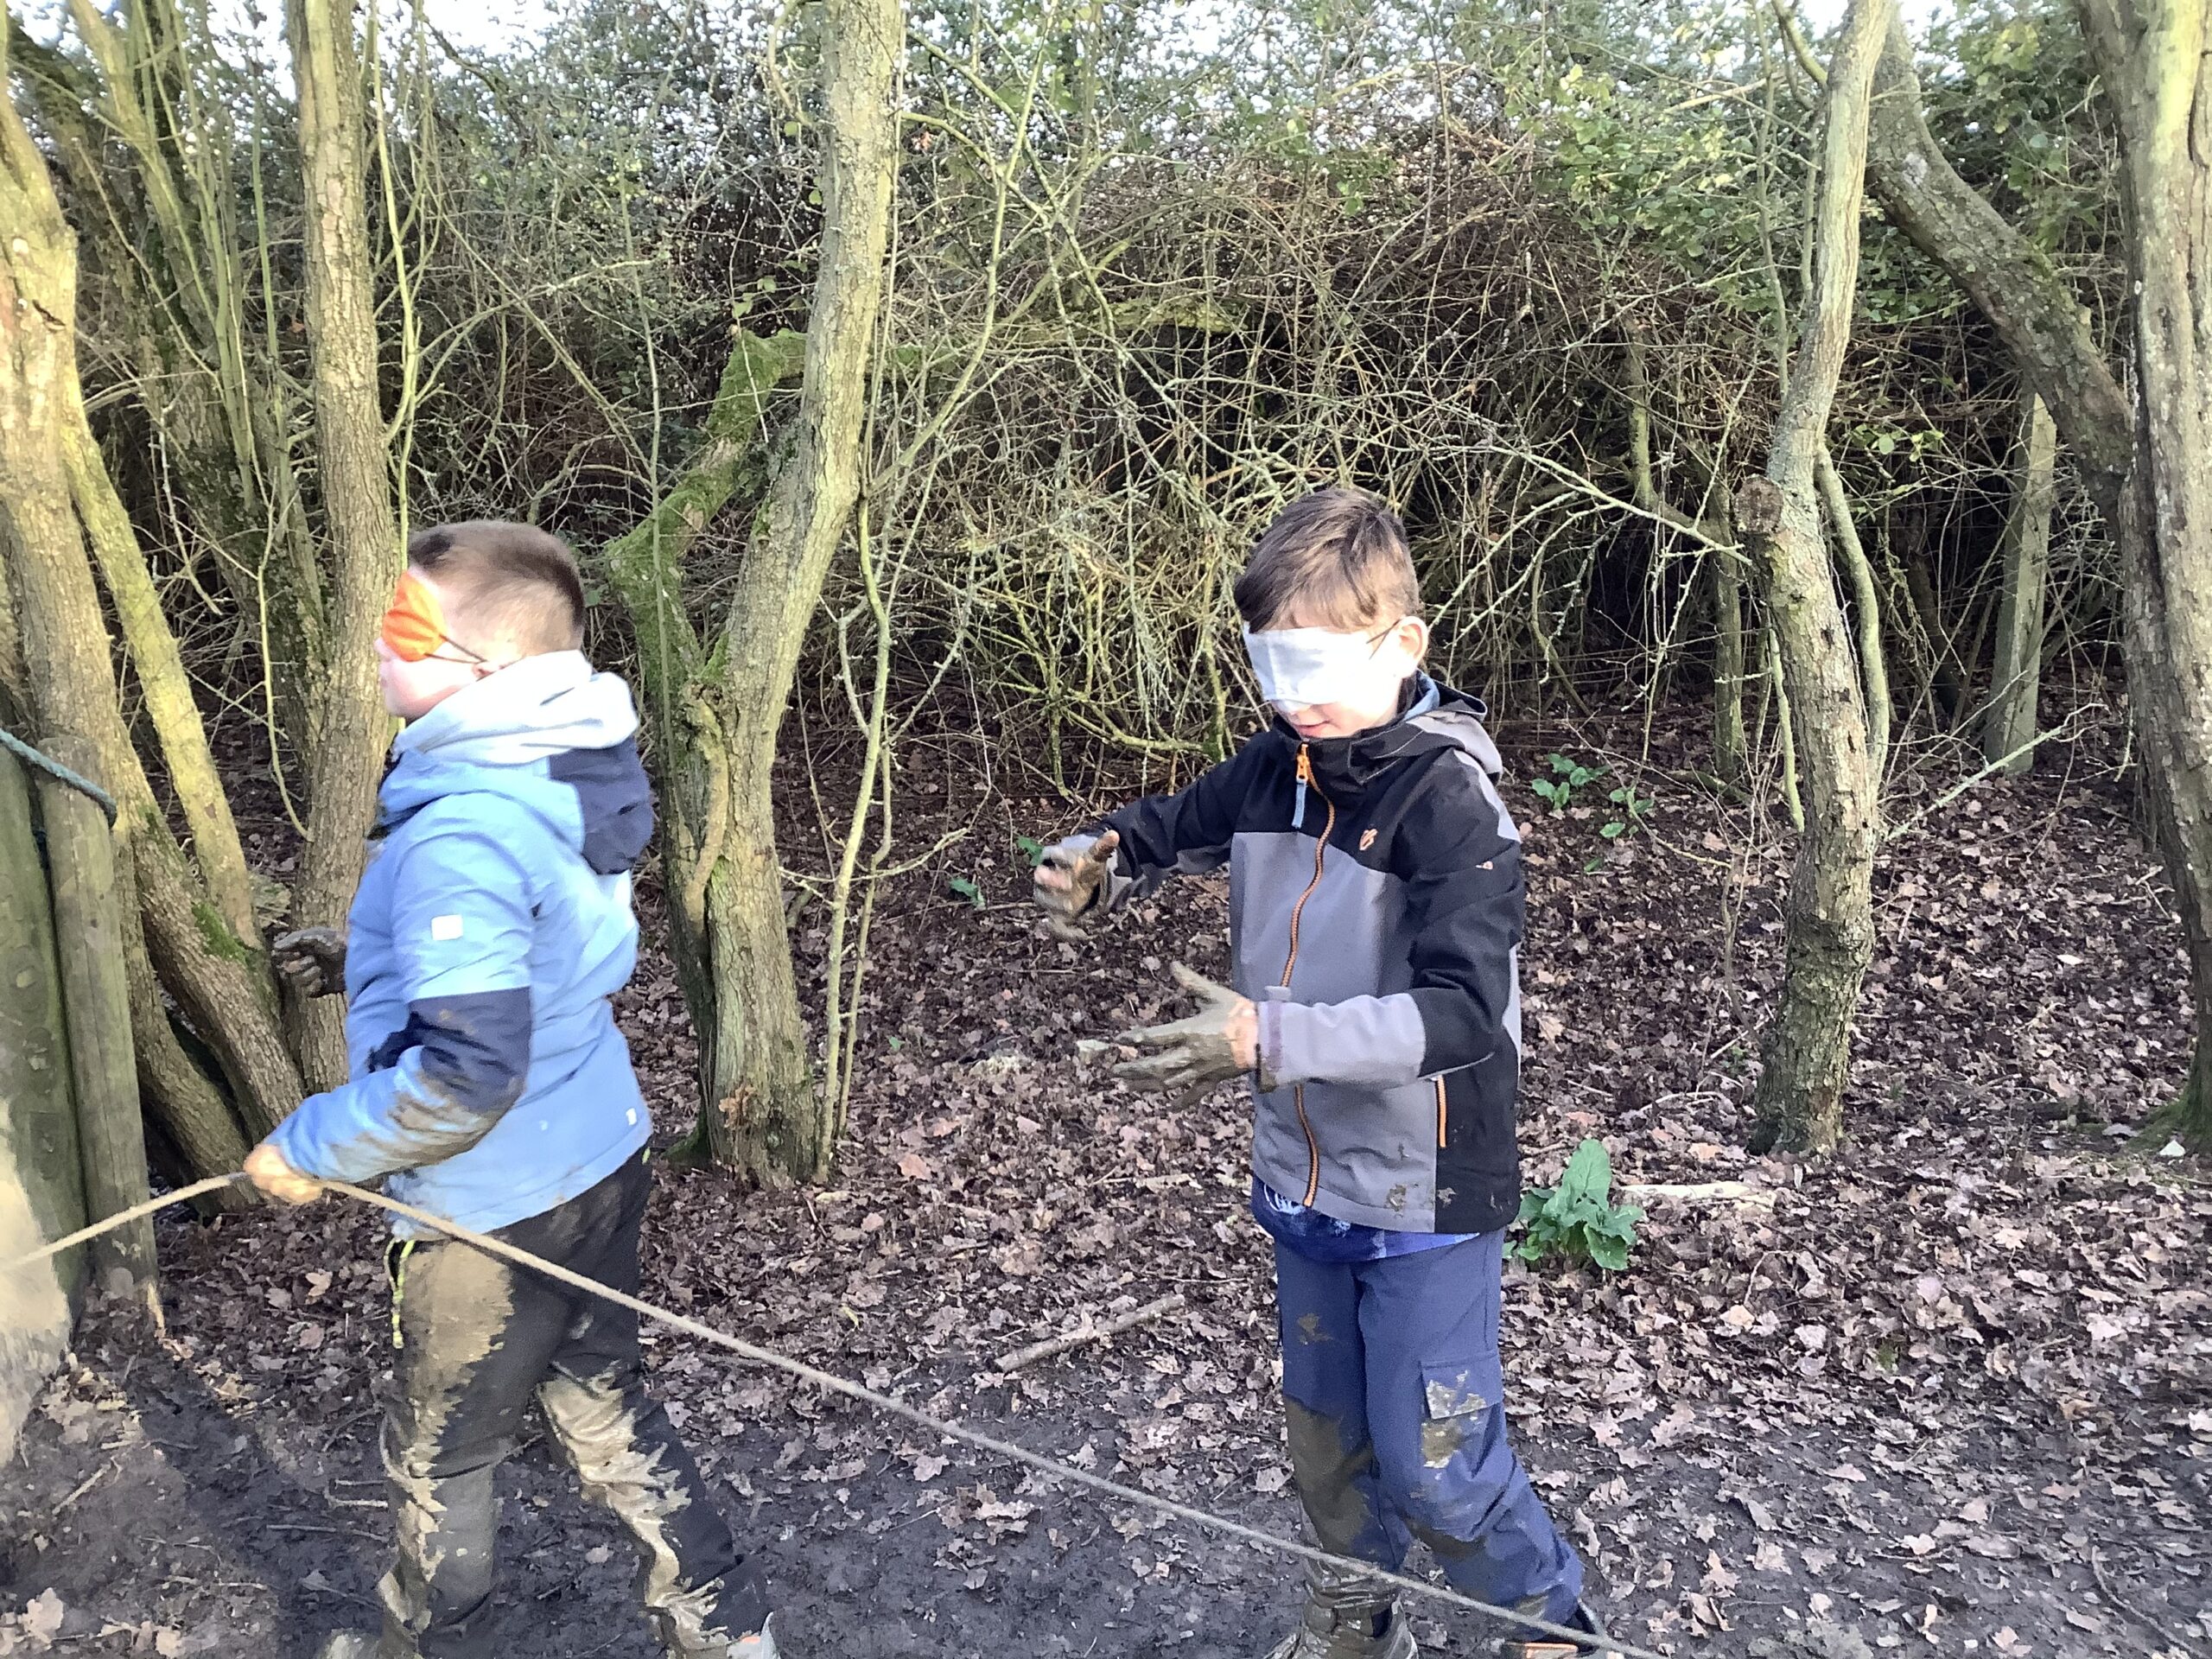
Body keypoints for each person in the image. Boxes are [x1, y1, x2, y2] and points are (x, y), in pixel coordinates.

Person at [1033, 488, 1618, 1659]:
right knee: (1324, 1442)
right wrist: (1097, 864)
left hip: (1426, 1189)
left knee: (1436, 1460)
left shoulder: (1453, 806)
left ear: (1403, 645)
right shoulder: (1279, 765)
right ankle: (1355, 1616)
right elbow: (1163, 829)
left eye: (1314, 663)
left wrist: (1271, 1039)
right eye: (1268, 663)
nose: (1289, 693)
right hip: (1302, 1176)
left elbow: (1464, 1015)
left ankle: (1550, 1627)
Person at [243, 523, 779, 1659]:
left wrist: (310, 1147)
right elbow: (535, 953)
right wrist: (369, 961)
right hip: (599, 1153)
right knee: (605, 1402)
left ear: (482, 665)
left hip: (491, 1210)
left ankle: (424, 1645)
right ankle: (730, 1635)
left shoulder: (465, 828)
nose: (377, 645)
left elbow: (467, 1075)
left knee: (441, 1457)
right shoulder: (557, 766)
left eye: (403, 627)